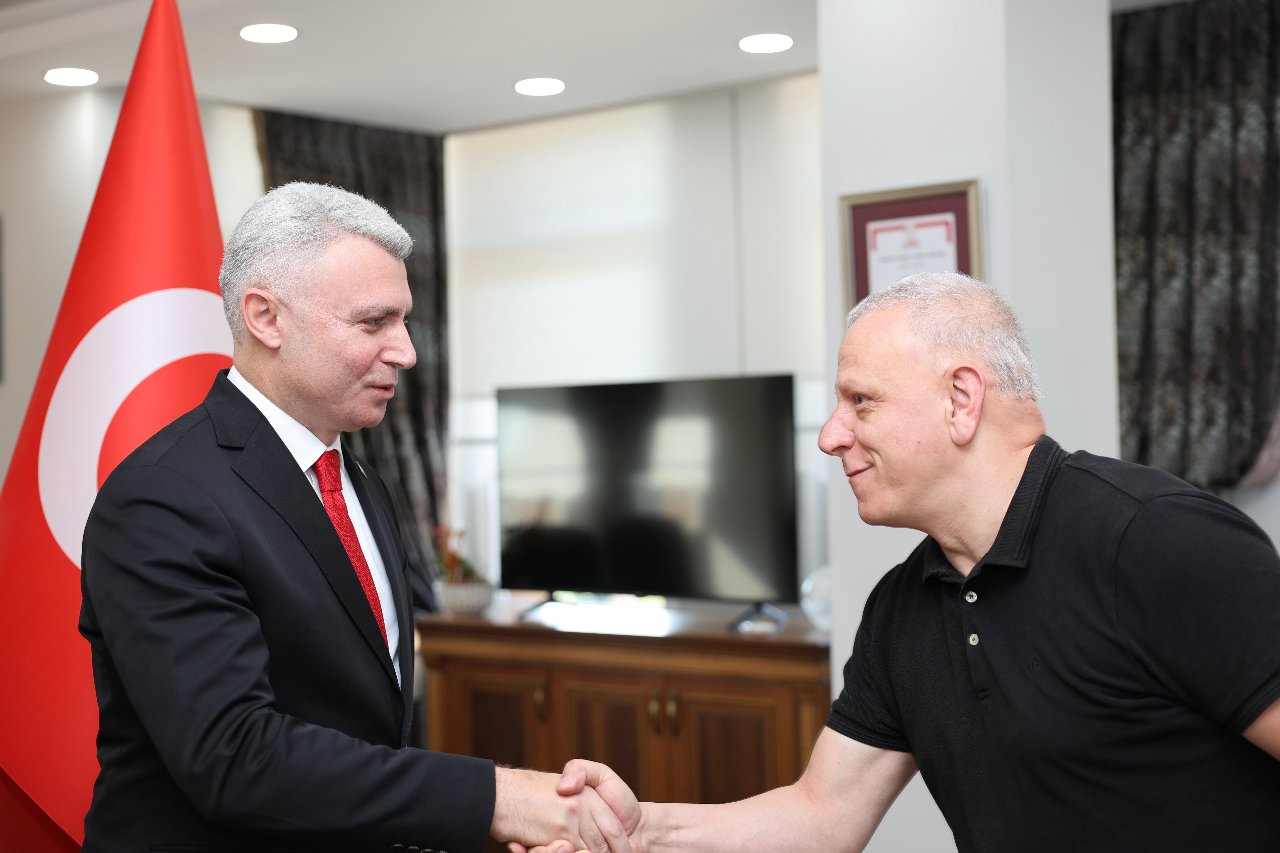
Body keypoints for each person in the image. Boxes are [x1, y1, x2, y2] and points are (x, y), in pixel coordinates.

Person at [526, 271, 1280, 853]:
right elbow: (823, 815)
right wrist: (645, 830)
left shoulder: (1157, 540)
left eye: (861, 401)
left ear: (961, 400)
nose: (830, 436)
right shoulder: (903, 604)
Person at [79, 182, 627, 853]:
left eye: (404, 321)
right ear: (266, 318)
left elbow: (364, 720)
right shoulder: (163, 497)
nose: (406, 352)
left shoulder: (361, 481)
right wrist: (495, 798)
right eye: (373, 323)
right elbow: (236, 757)